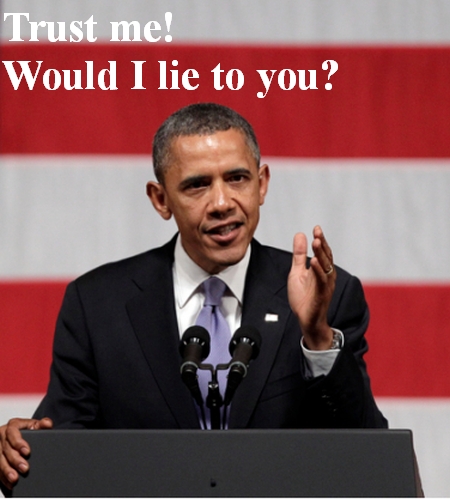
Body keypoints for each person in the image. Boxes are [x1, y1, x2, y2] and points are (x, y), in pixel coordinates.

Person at [0, 102, 387, 490]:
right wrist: (21, 449)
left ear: (262, 183)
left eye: (237, 178)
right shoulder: (97, 305)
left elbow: (372, 460)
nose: (221, 203)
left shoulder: (326, 294)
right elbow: (60, 453)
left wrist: (318, 338)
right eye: (197, 185)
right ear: (161, 199)